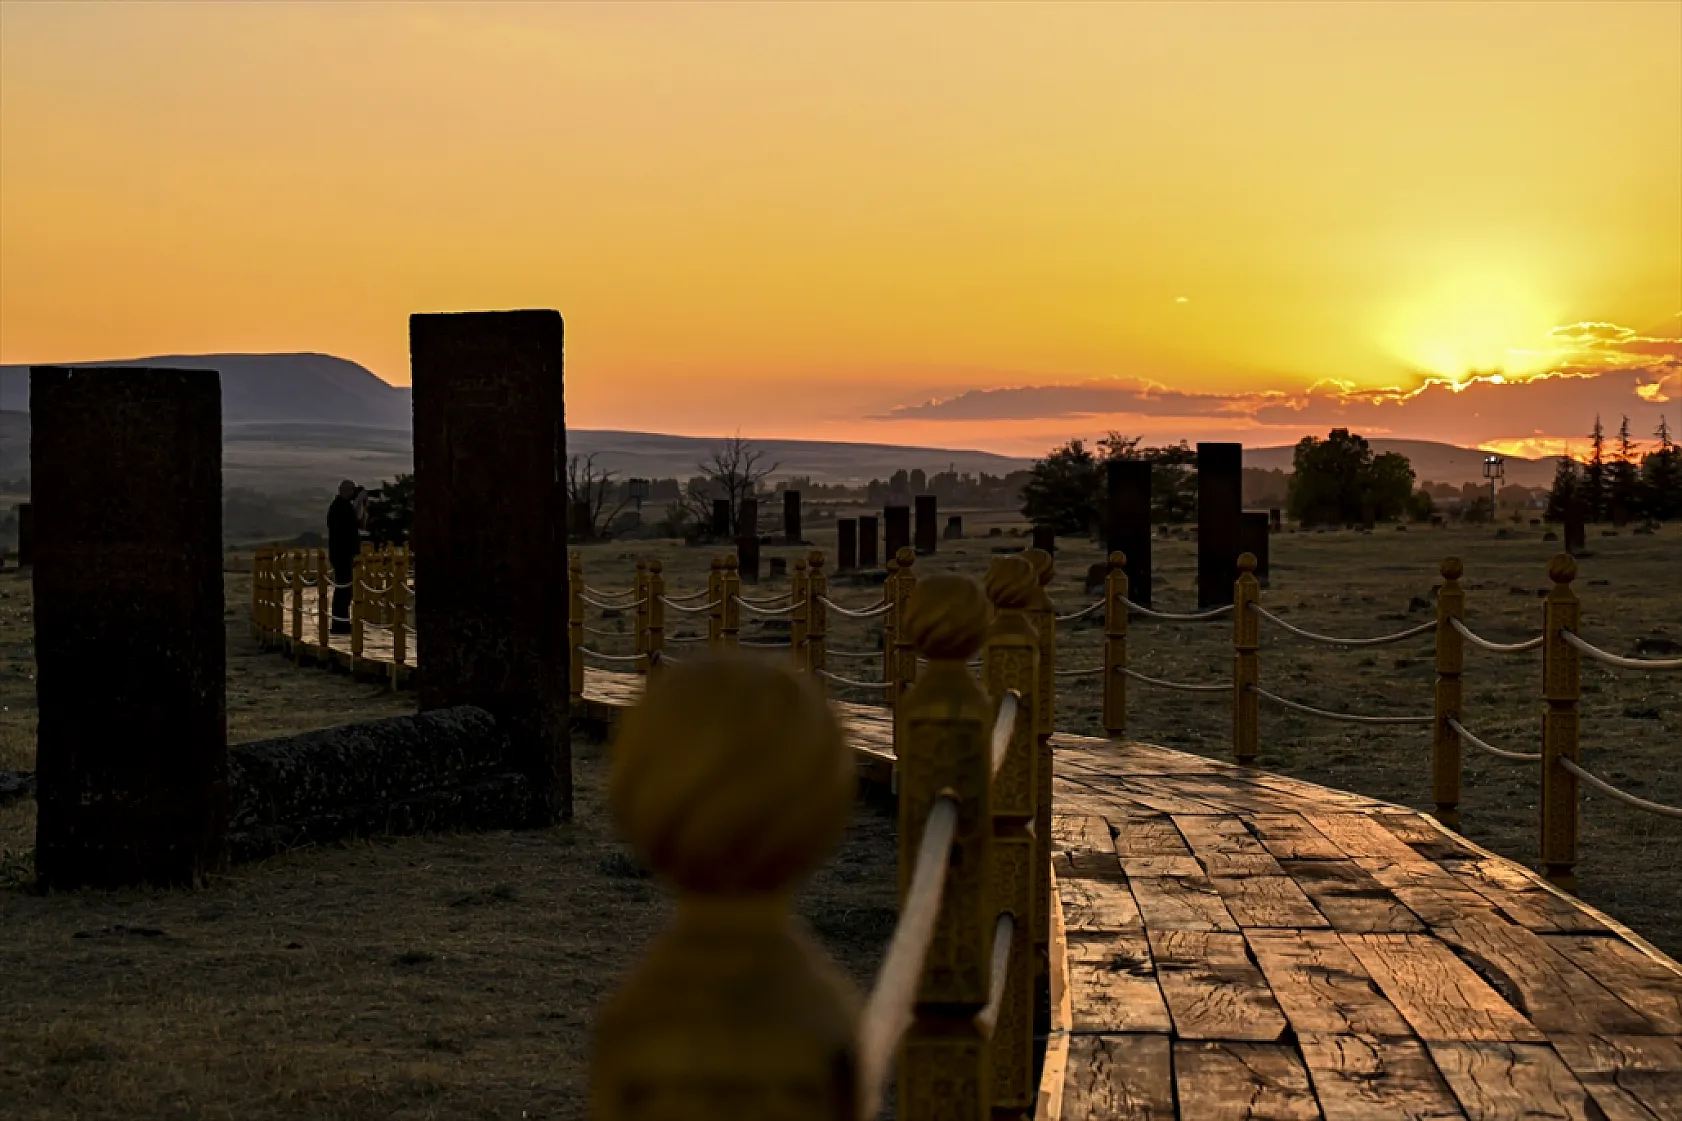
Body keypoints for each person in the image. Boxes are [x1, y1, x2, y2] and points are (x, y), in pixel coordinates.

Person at [328, 479, 362, 634]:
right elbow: (348, 528)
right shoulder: (339, 508)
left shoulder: (341, 507)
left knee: (344, 590)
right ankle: (339, 624)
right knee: (343, 590)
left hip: (341, 554)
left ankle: (342, 622)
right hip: (342, 554)